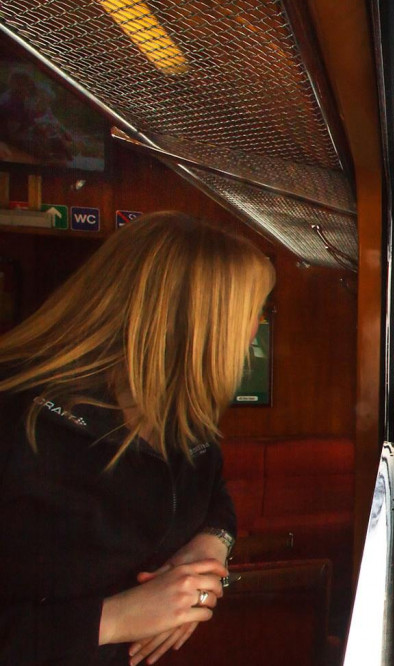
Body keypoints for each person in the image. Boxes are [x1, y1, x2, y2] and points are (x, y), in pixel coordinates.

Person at [0, 212, 275, 665]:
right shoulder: (17, 421)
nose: (257, 327)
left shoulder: (183, 421)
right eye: (250, 311)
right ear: (193, 324)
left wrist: (210, 550)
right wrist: (113, 619)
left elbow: (213, 498)